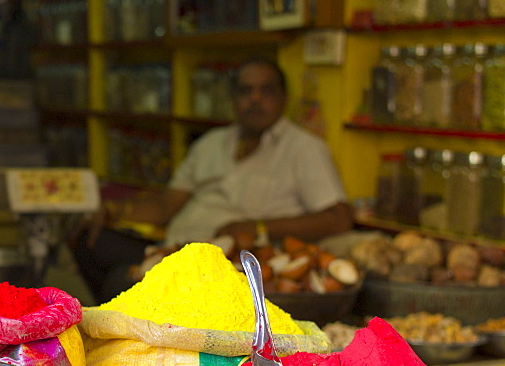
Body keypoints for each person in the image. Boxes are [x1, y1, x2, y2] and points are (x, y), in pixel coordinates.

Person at [73, 57, 353, 303]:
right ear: (233, 99)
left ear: (283, 98)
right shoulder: (211, 143)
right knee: (87, 239)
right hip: (174, 249)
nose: (255, 99)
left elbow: (338, 218)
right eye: (245, 91)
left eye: (266, 90)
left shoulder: (303, 149)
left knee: (121, 282)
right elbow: (166, 206)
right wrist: (114, 210)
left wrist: (257, 228)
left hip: (230, 265)